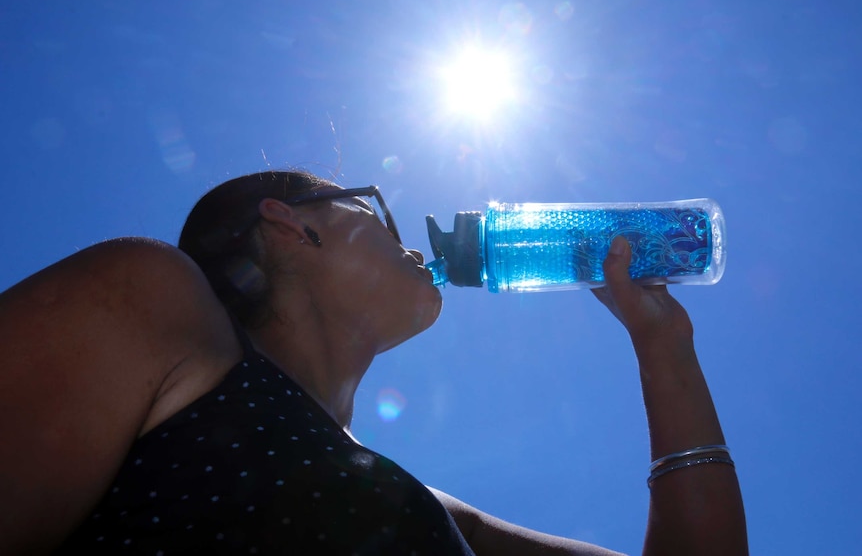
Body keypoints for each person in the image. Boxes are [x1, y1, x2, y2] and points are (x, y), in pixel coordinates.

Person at [0, 170, 747, 555]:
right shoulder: (149, 296)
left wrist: (662, 344)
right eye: (374, 211)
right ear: (287, 223)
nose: (411, 240)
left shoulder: (426, 509)